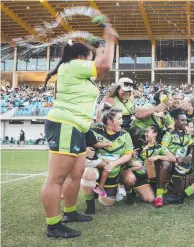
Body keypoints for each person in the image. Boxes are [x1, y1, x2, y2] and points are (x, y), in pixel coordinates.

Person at [41, 26, 116, 238]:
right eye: (89, 58)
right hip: (65, 124)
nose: (90, 63)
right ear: (81, 58)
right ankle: (53, 225)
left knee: (76, 174)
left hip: (77, 128)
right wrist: (110, 40)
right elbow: (105, 65)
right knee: (56, 178)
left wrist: (100, 45)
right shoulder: (72, 66)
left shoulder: (75, 71)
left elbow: (99, 61)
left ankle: (70, 212)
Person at [82, 104, 134, 212]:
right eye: (119, 118)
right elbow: (83, 144)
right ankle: (90, 204)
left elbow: (128, 154)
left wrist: (113, 164)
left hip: (114, 171)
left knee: (109, 202)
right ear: (109, 121)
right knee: (88, 173)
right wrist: (86, 150)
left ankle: (122, 189)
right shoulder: (94, 131)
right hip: (97, 168)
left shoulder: (125, 134)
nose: (122, 121)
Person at [127, 125, 176, 206]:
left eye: (147, 131)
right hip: (134, 173)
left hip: (144, 178)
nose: (145, 133)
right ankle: (129, 190)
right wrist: (131, 153)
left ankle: (142, 191)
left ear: (155, 134)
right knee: (128, 179)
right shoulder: (139, 143)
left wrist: (158, 156)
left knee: (150, 199)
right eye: (145, 131)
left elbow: (173, 158)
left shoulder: (160, 147)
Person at [161, 109, 194, 204]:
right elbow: (163, 148)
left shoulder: (187, 132)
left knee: (183, 168)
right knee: (173, 166)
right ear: (175, 120)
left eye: (186, 120)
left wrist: (190, 154)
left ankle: (177, 194)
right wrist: (174, 158)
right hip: (171, 160)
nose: (185, 122)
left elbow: (191, 145)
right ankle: (166, 191)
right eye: (182, 120)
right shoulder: (170, 132)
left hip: (182, 161)